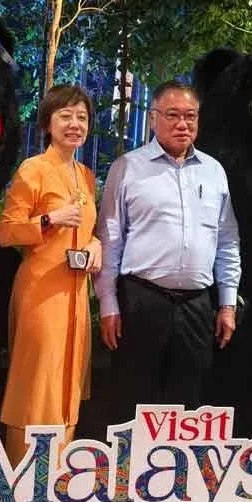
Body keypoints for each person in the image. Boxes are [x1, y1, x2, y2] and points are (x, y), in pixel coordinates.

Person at [95, 80, 240, 418]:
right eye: (172, 115)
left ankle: (177, 470)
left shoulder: (215, 171)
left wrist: (228, 304)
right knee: (132, 399)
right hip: (141, 301)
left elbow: (227, 241)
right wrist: (108, 303)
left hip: (197, 305)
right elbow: (110, 237)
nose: (182, 124)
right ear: (152, 118)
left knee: (188, 404)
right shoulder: (128, 167)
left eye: (190, 116)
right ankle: (128, 469)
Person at [0, 85, 100, 465]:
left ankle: (59, 472)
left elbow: (91, 234)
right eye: (65, 116)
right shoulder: (33, 169)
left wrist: (95, 248)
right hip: (41, 291)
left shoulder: (87, 176)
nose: (75, 124)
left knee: (69, 379)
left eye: (82, 117)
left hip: (76, 293)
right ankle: (23, 472)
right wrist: (49, 219)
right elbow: (6, 231)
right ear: (47, 123)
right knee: (36, 380)